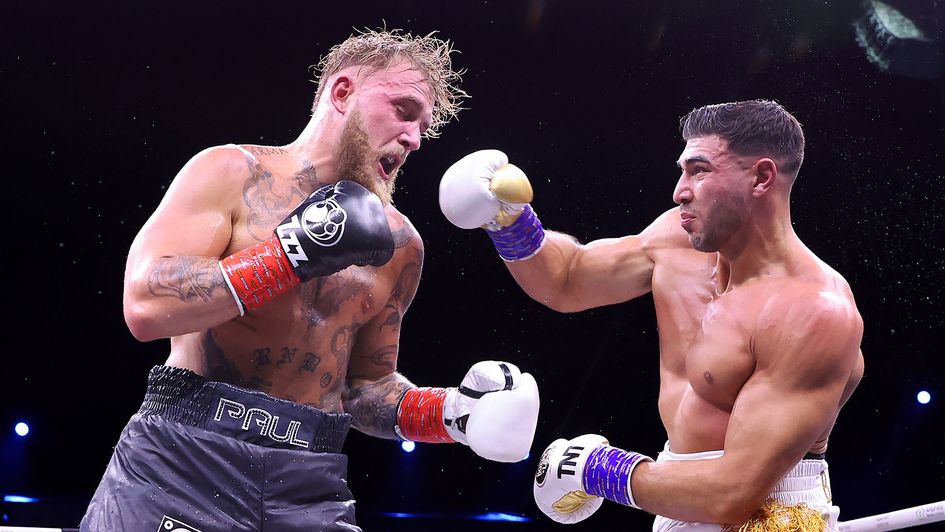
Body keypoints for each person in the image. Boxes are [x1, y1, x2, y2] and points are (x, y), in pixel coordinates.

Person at [81, 29, 539, 532]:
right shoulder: (233, 171)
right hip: (183, 457)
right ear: (342, 93)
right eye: (404, 110)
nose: (412, 138)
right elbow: (145, 305)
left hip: (309, 479)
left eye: (423, 127)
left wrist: (451, 414)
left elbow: (365, 387)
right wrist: (290, 254)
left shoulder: (400, 244)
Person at [439, 100, 864, 531]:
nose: (680, 189)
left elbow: (732, 494)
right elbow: (567, 280)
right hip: (676, 487)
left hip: (767, 509)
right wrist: (510, 221)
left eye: (699, 170)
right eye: (682, 170)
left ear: (761, 177)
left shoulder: (812, 311)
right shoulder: (675, 238)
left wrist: (600, 469)